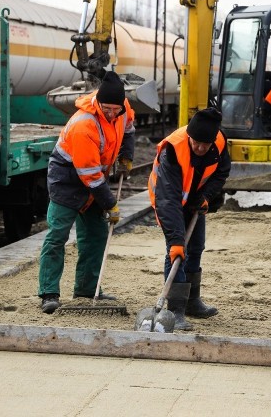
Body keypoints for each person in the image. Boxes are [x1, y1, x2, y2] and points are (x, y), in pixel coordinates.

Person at [38, 71, 135, 314]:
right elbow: (89, 175)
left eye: (116, 109)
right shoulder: (84, 124)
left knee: (96, 234)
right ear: (98, 102)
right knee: (58, 235)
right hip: (68, 178)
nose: (112, 113)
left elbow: (130, 127)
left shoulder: (123, 109)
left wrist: (126, 156)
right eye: (107, 108)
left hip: (94, 178)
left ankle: (87, 289)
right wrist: (110, 204)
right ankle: (49, 293)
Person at [148, 107, 231, 331]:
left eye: (206, 144)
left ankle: (193, 301)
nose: (201, 148)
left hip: (195, 199)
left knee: (196, 247)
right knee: (177, 251)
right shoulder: (173, 150)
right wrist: (176, 240)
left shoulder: (219, 143)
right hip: (169, 200)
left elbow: (222, 172)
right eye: (196, 143)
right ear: (189, 136)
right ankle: (176, 310)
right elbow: (168, 200)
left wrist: (205, 197)